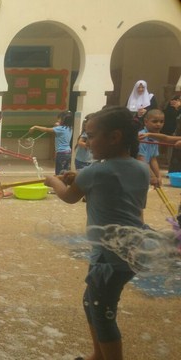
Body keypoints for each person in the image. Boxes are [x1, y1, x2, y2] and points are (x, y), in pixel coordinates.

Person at [44, 106, 148, 360]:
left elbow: (69, 197)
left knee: (102, 312)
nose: (87, 142)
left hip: (108, 259)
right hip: (132, 249)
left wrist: (53, 181)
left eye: (91, 136)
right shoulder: (141, 169)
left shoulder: (96, 172)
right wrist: (80, 178)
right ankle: (97, 356)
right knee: (92, 302)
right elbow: (115, 194)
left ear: (114, 137)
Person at [30, 111, 74, 175]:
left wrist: (35, 127)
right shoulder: (70, 128)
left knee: (59, 173)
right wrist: (58, 124)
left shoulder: (60, 129)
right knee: (65, 172)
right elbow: (60, 128)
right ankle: (64, 184)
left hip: (61, 153)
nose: (58, 120)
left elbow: (46, 129)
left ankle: (59, 183)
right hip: (68, 152)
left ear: (63, 120)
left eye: (59, 119)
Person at [137, 109, 165, 186]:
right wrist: (152, 176)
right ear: (146, 122)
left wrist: (158, 176)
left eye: (161, 122)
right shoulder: (141, 136)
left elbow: (153, 159)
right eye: (155, 121)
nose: (158, 124)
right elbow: (141, 159)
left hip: (144, 171)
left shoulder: (155, 137)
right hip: (135, 171)